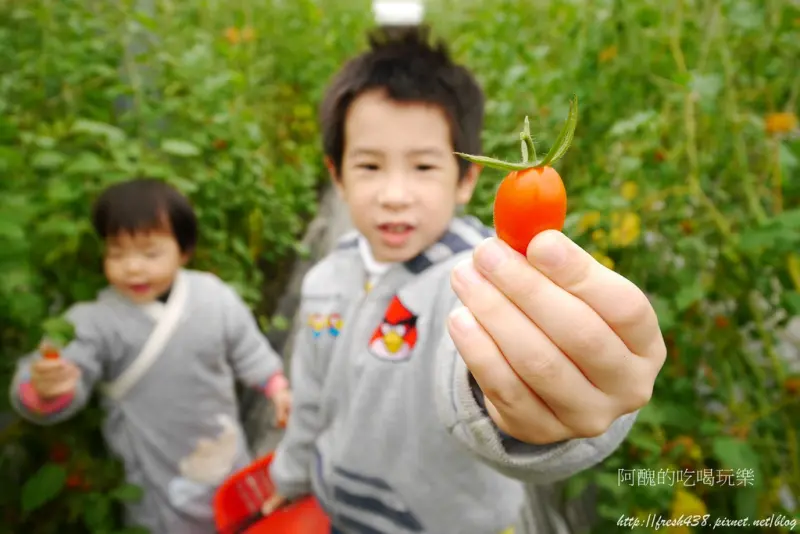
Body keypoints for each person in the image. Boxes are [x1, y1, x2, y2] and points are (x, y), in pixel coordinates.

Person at [263, 25, 667, 534]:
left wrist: (527, 407)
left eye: (424, 166)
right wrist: (291, 474)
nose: (394, 193)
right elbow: (311, 397)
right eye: (369, 165)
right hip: (339, 508)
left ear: (467, 179)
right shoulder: (325, 279)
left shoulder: (477, 276)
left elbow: (472, 364)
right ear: (336, 175)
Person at [8, 178, 293, 534]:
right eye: (117, 252)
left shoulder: (213, 297)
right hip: (157, 487)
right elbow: (64, 367)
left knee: (245, 519)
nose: (133, 268)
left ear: (183, 250)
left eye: (149, 253)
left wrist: (278, 389)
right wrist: (46, 387)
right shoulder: (96, 322)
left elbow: (249, 351)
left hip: (228, 459)